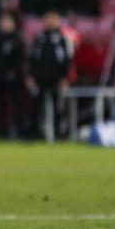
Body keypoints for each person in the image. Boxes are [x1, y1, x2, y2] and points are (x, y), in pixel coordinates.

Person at [27, 11, 71, 139]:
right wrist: (30, 76)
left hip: (56, 79)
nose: (50, 22)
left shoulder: (62, 39)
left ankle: (59, 133)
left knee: (58, 106)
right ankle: (36, 133)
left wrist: (64, 77)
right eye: (48, 19)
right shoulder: (39, 38)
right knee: (37, 106)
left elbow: (66, 60)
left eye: (53, 19)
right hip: (39, 78)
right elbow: (32, 59)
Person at [0, 13, 26, 138]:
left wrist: (16, 73)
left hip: (15, 78)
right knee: (1, 107)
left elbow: (22, 59)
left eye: (7, 22)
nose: (4, 25)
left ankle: (21, 131)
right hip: (0, 78)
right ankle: (2, 132)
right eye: (2, 22)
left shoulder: (18, 39)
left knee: (18, 105)